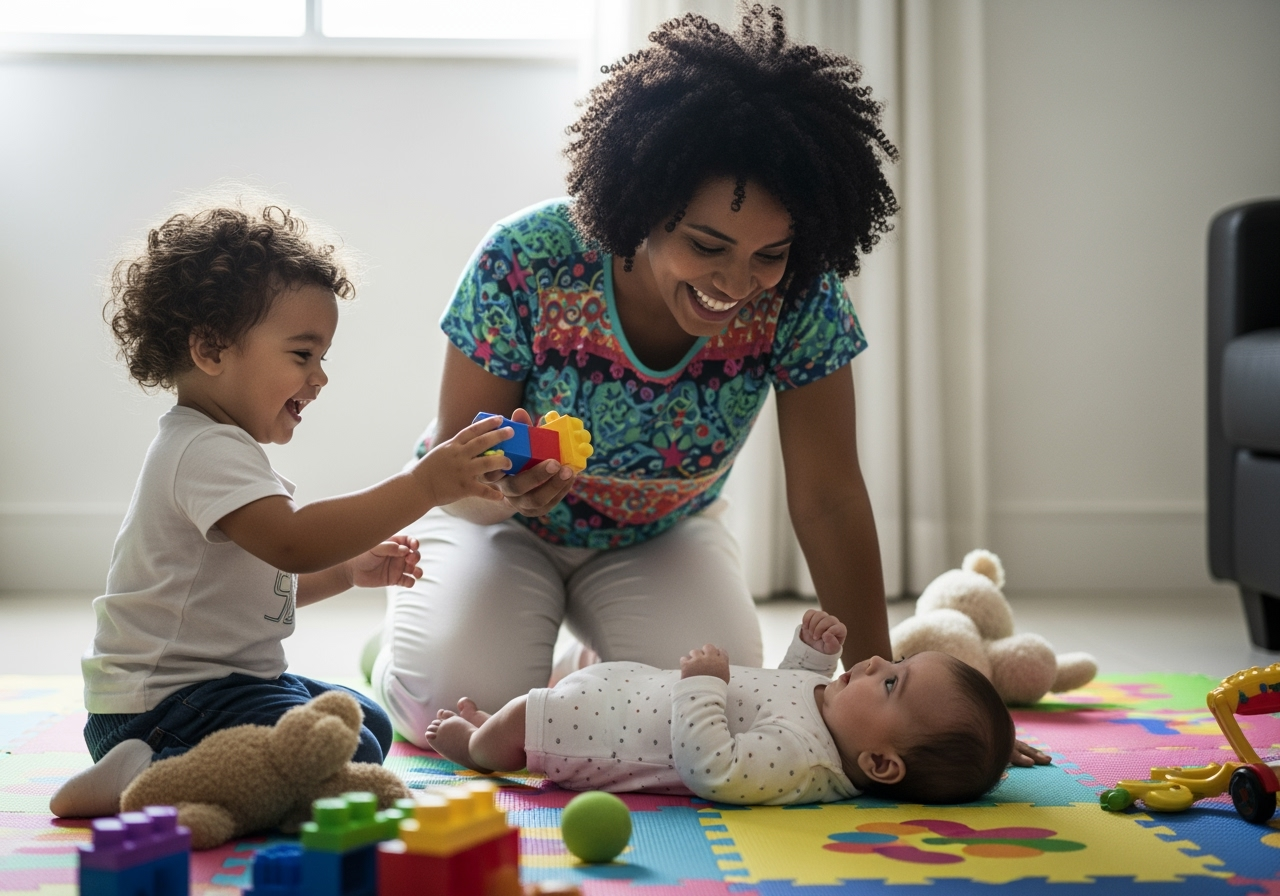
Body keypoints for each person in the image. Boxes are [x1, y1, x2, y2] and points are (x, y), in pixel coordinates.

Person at [372, 6, 1048, 770]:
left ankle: (578, 680)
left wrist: (900, 708)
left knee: (718, 715)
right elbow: (452, 478)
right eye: (707, 245)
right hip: (492, 526)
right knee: (454, 711)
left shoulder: (801, 301)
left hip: (662, 535)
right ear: (643, 200)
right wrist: (505, 488)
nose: (736, 283)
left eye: (771, 254)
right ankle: (401, 653)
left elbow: (828, 498)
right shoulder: (525, 258)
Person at [50, 200, 513, 819]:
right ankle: (154, 774)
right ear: (212, 350)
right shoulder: (203, 449)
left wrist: (348, 572)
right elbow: (293, 543)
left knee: (361, 722)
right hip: (162, 708)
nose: (319, 378)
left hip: (224, 695)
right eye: (302, 355)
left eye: (322, 357)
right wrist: (424, 486)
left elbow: (263, 592)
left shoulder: (222, 448)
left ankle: (211, 781)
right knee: (316, 748)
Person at [425, 610, 1015, 806]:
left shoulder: (804, 760)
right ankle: (488, 728)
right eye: (895, 662)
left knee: (524, 722)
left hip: (601, 734)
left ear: (882, 763)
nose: (876, 663)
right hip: (627, 692)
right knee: (536, 708)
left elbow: (714, 768)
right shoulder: (824, 726)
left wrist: (704, 687)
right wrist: (810, 655)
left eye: (892, 686)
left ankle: (474, 747)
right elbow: (781, 693)